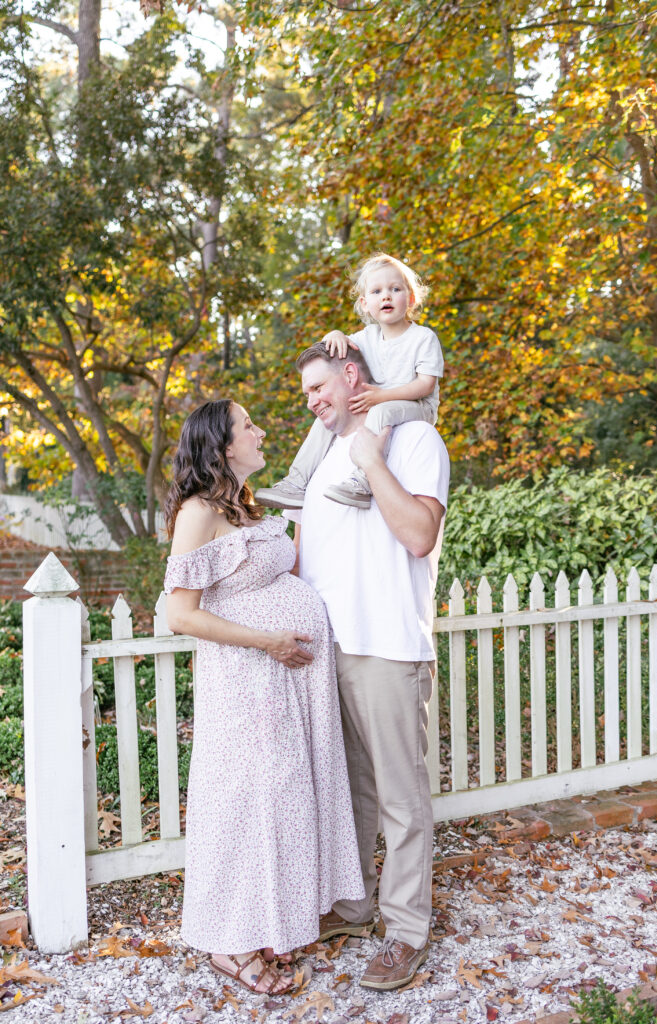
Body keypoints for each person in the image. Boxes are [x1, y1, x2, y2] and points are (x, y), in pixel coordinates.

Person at [163, 399, 365, 996]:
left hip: (285, 683)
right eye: (248, 425)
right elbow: (180, 614)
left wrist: (341, 365)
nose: (260, 430)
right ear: (223, 446)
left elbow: (319, 446)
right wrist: (268, 641)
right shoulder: (199, 513)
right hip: (245, 683)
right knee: (245, 805)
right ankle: (228, 944)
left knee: (280, 805)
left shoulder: (247, 505)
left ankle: (266, 924)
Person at [285, 343, 450, 991]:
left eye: (318, 387)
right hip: (329, 650)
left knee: (400, 801)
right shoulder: (320, 459)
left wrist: (371, 462)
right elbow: (307, 558)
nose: (312, 401)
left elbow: (417, 535)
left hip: (387, 646)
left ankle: (405, 930)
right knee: (348, 793)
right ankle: (353, 906)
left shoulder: (412, 440)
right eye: (305, 394)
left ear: (351, 375)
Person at [255, 252, 444, 511]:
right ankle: (296, 483)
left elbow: (426, 386)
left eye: (395, 289)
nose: (386, 296)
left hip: (417, 407)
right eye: (377, 291)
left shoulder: (423, 338)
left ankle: (363, 480)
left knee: (380, 411)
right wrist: (333, 334)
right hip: (377, 402)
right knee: (327, 419)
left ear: (410, 298)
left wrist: (381, 397)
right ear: (365, 304)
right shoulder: (368, 336)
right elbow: (337, 341)